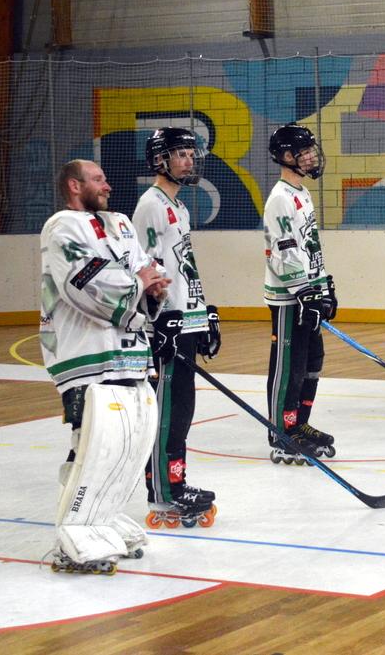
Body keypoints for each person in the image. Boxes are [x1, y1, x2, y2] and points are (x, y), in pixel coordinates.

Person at [40, 159, 171, 573]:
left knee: (130, 440)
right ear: (74, 185)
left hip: (128, 349)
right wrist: (140, 281)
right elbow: (84, 279)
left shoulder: (121, 224)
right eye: (98, 179)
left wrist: (152, 285)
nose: (108, 185)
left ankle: (104, 515)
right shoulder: (61, 227)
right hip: (85, 350)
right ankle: (75, 529)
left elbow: (147, 266)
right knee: (95, 439)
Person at [133, 127, 218, 526]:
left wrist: (202, 315)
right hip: (165, 327)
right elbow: (145, 268)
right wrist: (159, 318)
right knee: (167, 411)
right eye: (180, 154)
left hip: (184, 323)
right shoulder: (151, 206)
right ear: (159, 160)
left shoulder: (179, 207)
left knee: (183, 409)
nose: (189, 160)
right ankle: (163, 493)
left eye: (190, 153)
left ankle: (176, 481)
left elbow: (182, 268)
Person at [263, 123, 338, 464]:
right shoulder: (280, 198)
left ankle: (298, 423)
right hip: (289, 298)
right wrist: (304, 291)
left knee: (311, 362)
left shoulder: (302, 193)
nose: (310, 156)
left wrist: (323, 286)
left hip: (308, 293)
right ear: (286, 156)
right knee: (288, 368)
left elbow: (308, 245)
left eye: (310, 150)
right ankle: (281, 431)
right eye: (303, 151)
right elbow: (284, 249)